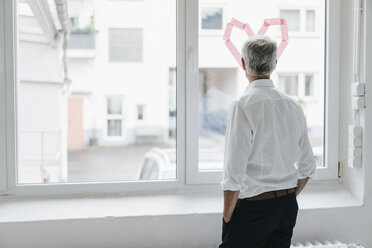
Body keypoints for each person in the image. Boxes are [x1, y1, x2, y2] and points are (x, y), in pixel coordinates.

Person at [219, 36, 316, 248]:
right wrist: (285, 196)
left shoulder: (242, 105)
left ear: (243, 63)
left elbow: (233, 170)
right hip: (286, 206)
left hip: (253, 207)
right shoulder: (293, 106)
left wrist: (227, 215)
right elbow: (308, 166)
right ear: (274, 64)